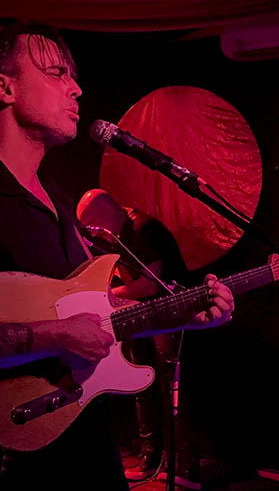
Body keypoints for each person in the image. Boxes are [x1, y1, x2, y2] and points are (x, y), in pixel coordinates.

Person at [0, 22, 234, 491]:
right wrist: (58, 335)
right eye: (56, 73)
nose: (75, 88)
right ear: (4, 88)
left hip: (87, 444)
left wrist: (178, 315)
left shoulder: (57, 200)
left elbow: (94, 314)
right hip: (20, 462)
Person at [77, 188, 193, 482]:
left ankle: (181, 462)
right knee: (143, 387)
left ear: (104, 214)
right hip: (142, 319)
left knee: (169, 388)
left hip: (167, 318)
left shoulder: (143, 229)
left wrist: (107, 296)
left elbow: (150, 285)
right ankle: (151, 457)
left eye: (91, 225)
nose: (92, 233)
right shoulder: (118, 237)